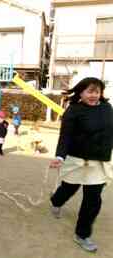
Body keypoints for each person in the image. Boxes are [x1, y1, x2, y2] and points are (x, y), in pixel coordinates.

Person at [49, 77, 113, 252]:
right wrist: (60, 156)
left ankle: (82, 234)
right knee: (69, 189)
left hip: (99, 163)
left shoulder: (107, 108)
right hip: (76, 161)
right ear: (81, 92)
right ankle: (56, 201)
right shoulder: (73, 110)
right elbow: (65, 137)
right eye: (90, 91)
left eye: (97, 91)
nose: (94, 95)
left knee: (93, 200)